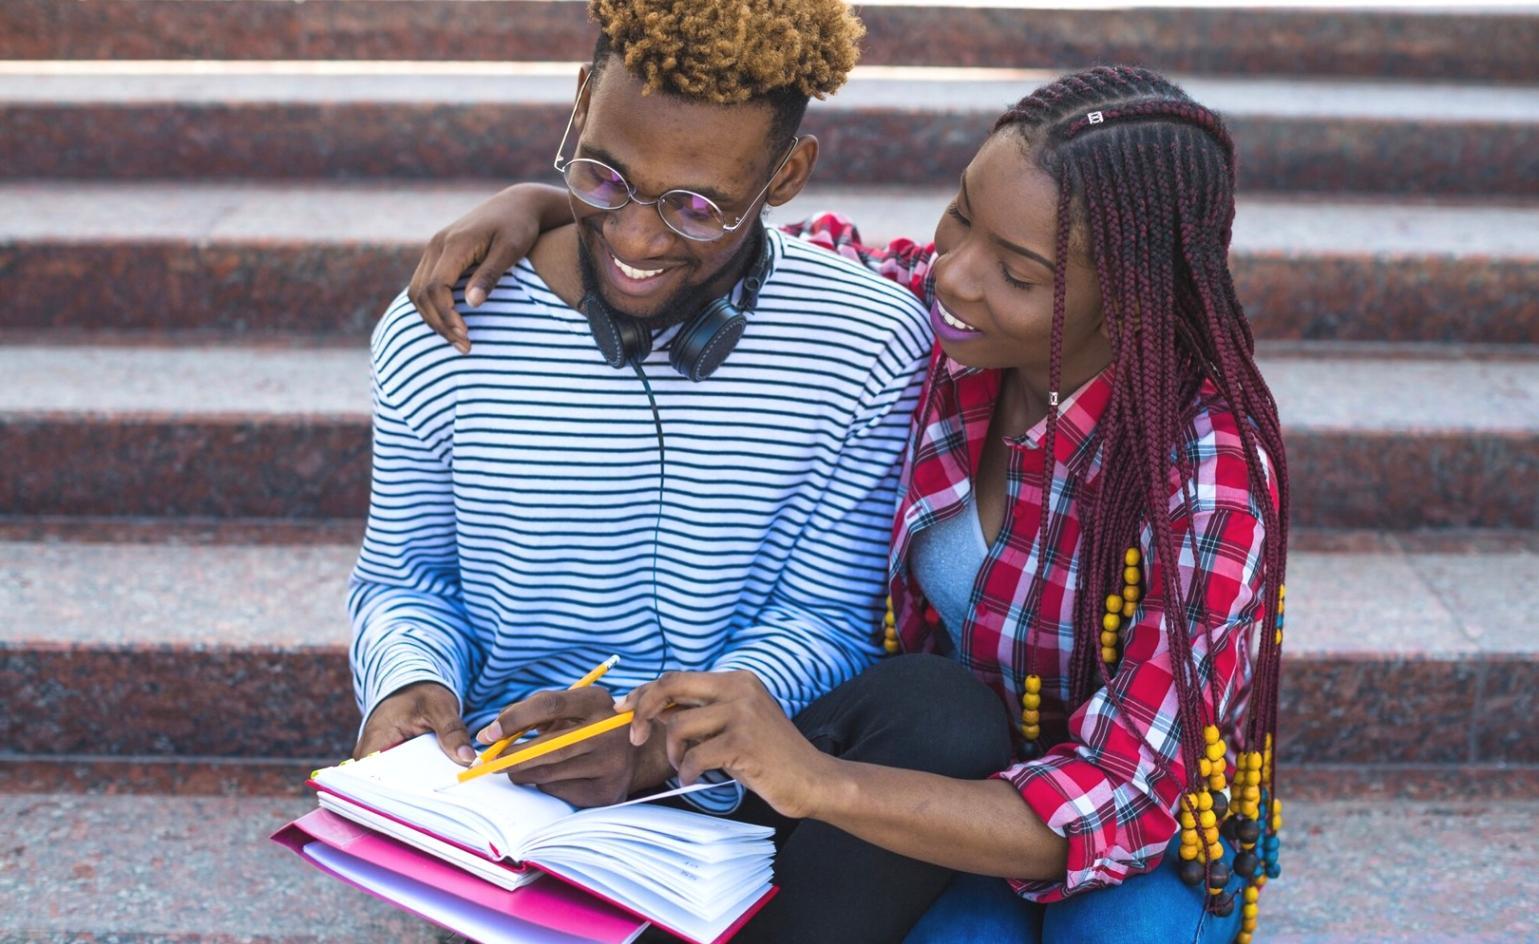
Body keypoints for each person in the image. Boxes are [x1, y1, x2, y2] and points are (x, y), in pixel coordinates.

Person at [407, 65, 1290, 944]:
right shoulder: (918, 319)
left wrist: (816, 781)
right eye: (960, 217)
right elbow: (717, 230)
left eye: (1017, 273)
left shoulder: (1207, 473)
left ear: (1133, 297)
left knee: (1125, 936)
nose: (955, 276)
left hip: (1105, 825)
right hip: (927, 765)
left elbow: (1125, 798)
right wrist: (539, 206)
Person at [350, 1, 1019, 941]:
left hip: (747, 770)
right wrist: (410, 683)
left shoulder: (866, 343)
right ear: (579, 105)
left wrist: (654, 742)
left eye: (697, 207)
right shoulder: (445, 324)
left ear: (786, 176)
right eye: (604, 178)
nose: (635, 239)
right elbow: (406, 579)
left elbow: (825, 620)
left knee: (942, 715)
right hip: (518, 779)